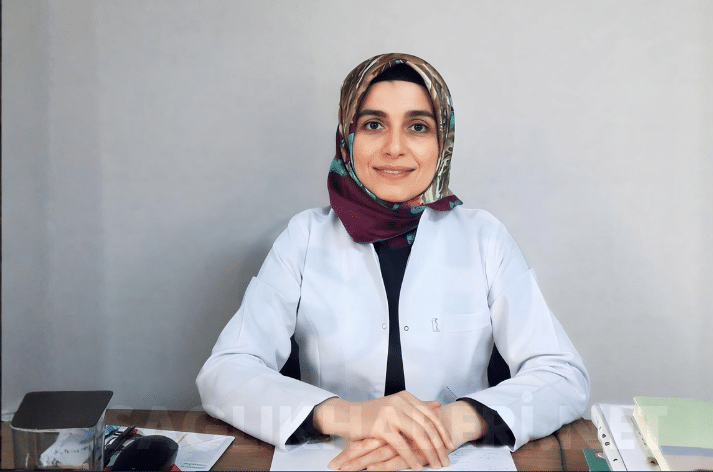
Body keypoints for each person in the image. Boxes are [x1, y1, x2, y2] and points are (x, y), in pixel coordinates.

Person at [196, 52, 589, 471]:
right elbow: (225, 372)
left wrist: (448, 424)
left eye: (418, 127)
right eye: (373, 125)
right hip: (337, 459)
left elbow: (562, 375)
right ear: (347, 136)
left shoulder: (484, 237)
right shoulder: (305, 237)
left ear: (443, 141)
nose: (394, 148)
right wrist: (352, 417)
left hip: (453, 460)